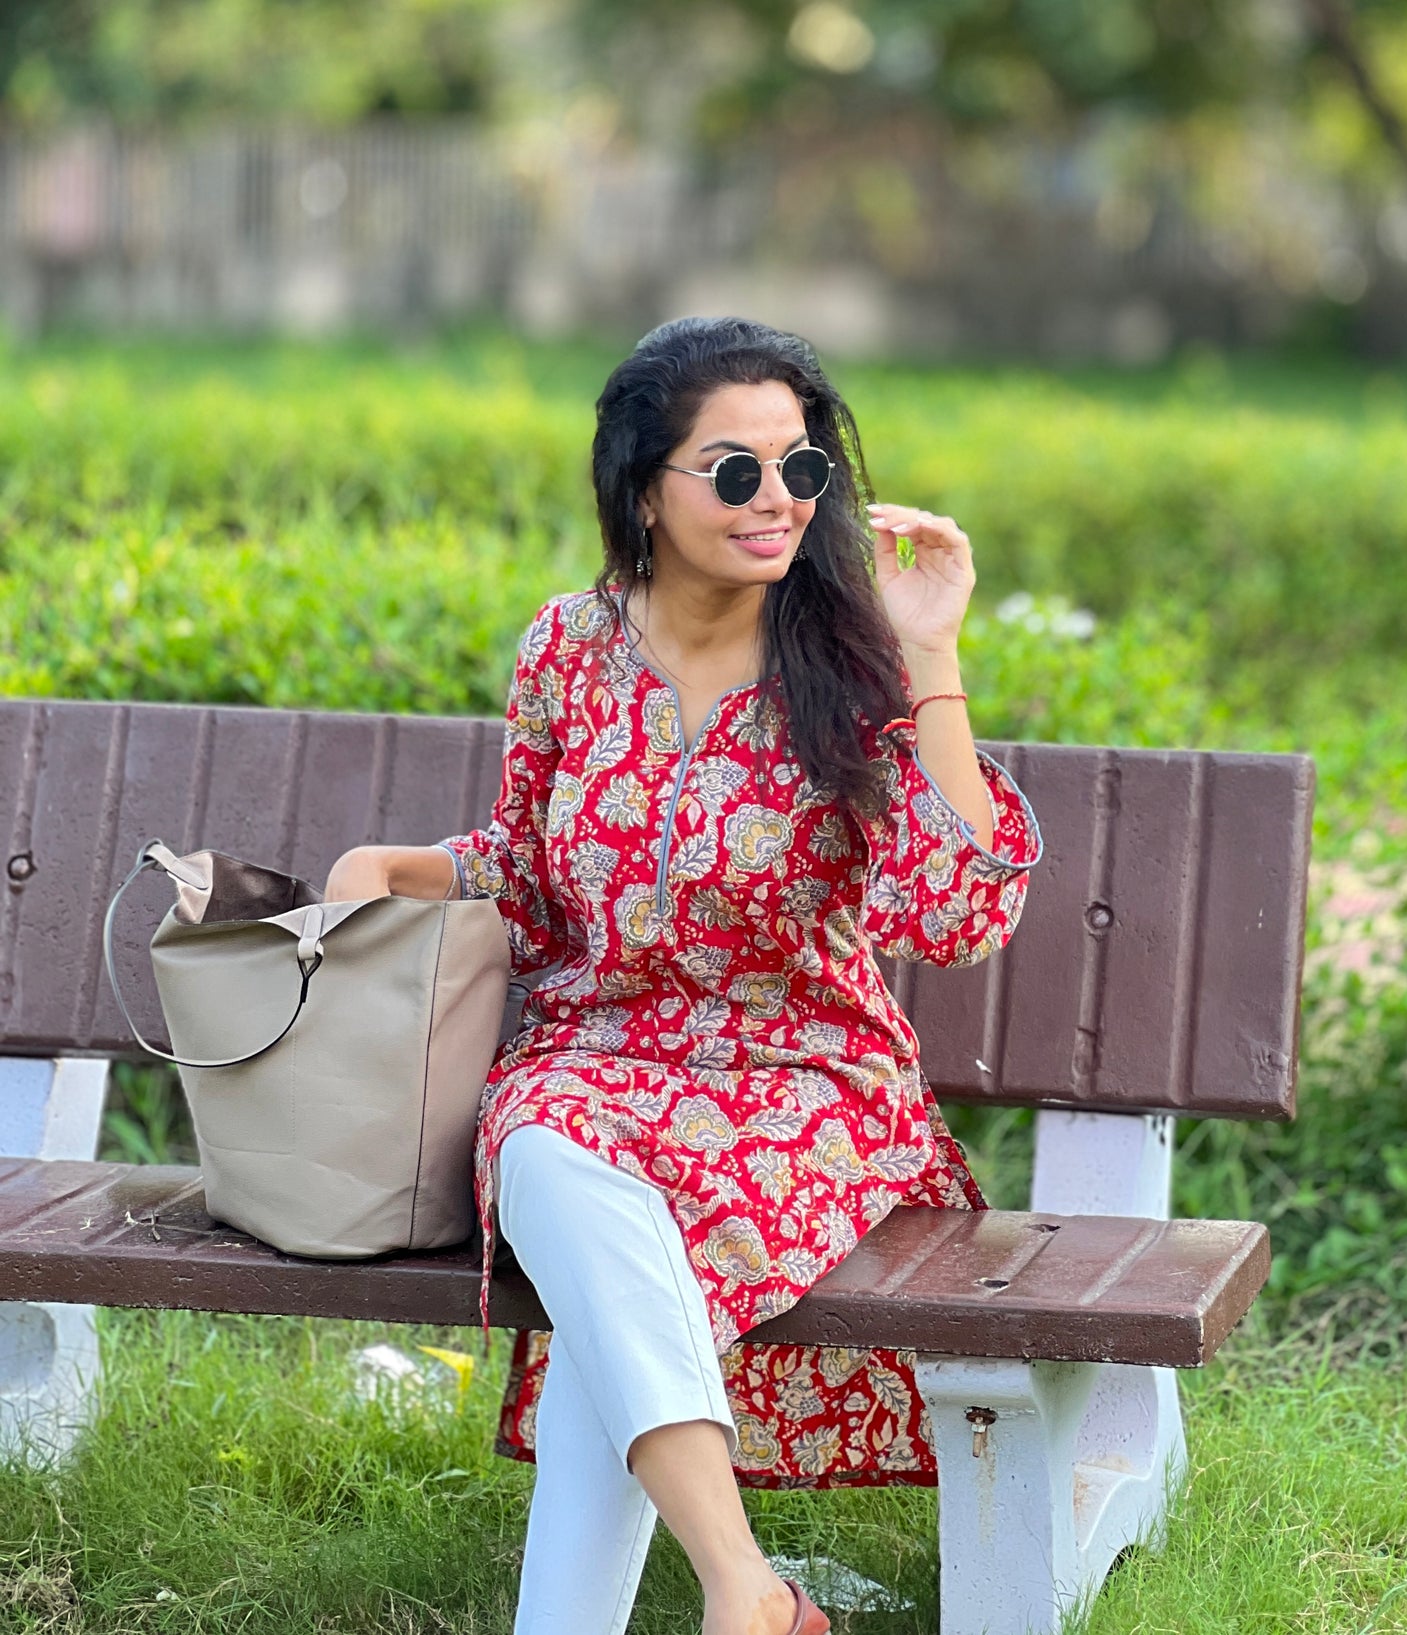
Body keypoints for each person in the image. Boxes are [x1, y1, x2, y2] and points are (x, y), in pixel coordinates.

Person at [324, 316, 1043, 1635]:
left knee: (603, 1268)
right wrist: (400, 867)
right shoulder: (567, 649)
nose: (777, 501)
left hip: (804, 1081)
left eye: (801, 468)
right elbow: (533, 868)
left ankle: (733, 1591)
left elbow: (955, 914)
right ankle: (744, 1589)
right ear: (642, 489)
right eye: (733, 471)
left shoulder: (853, 665)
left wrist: (932, 655)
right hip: (599, 1059)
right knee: (549, 1153)